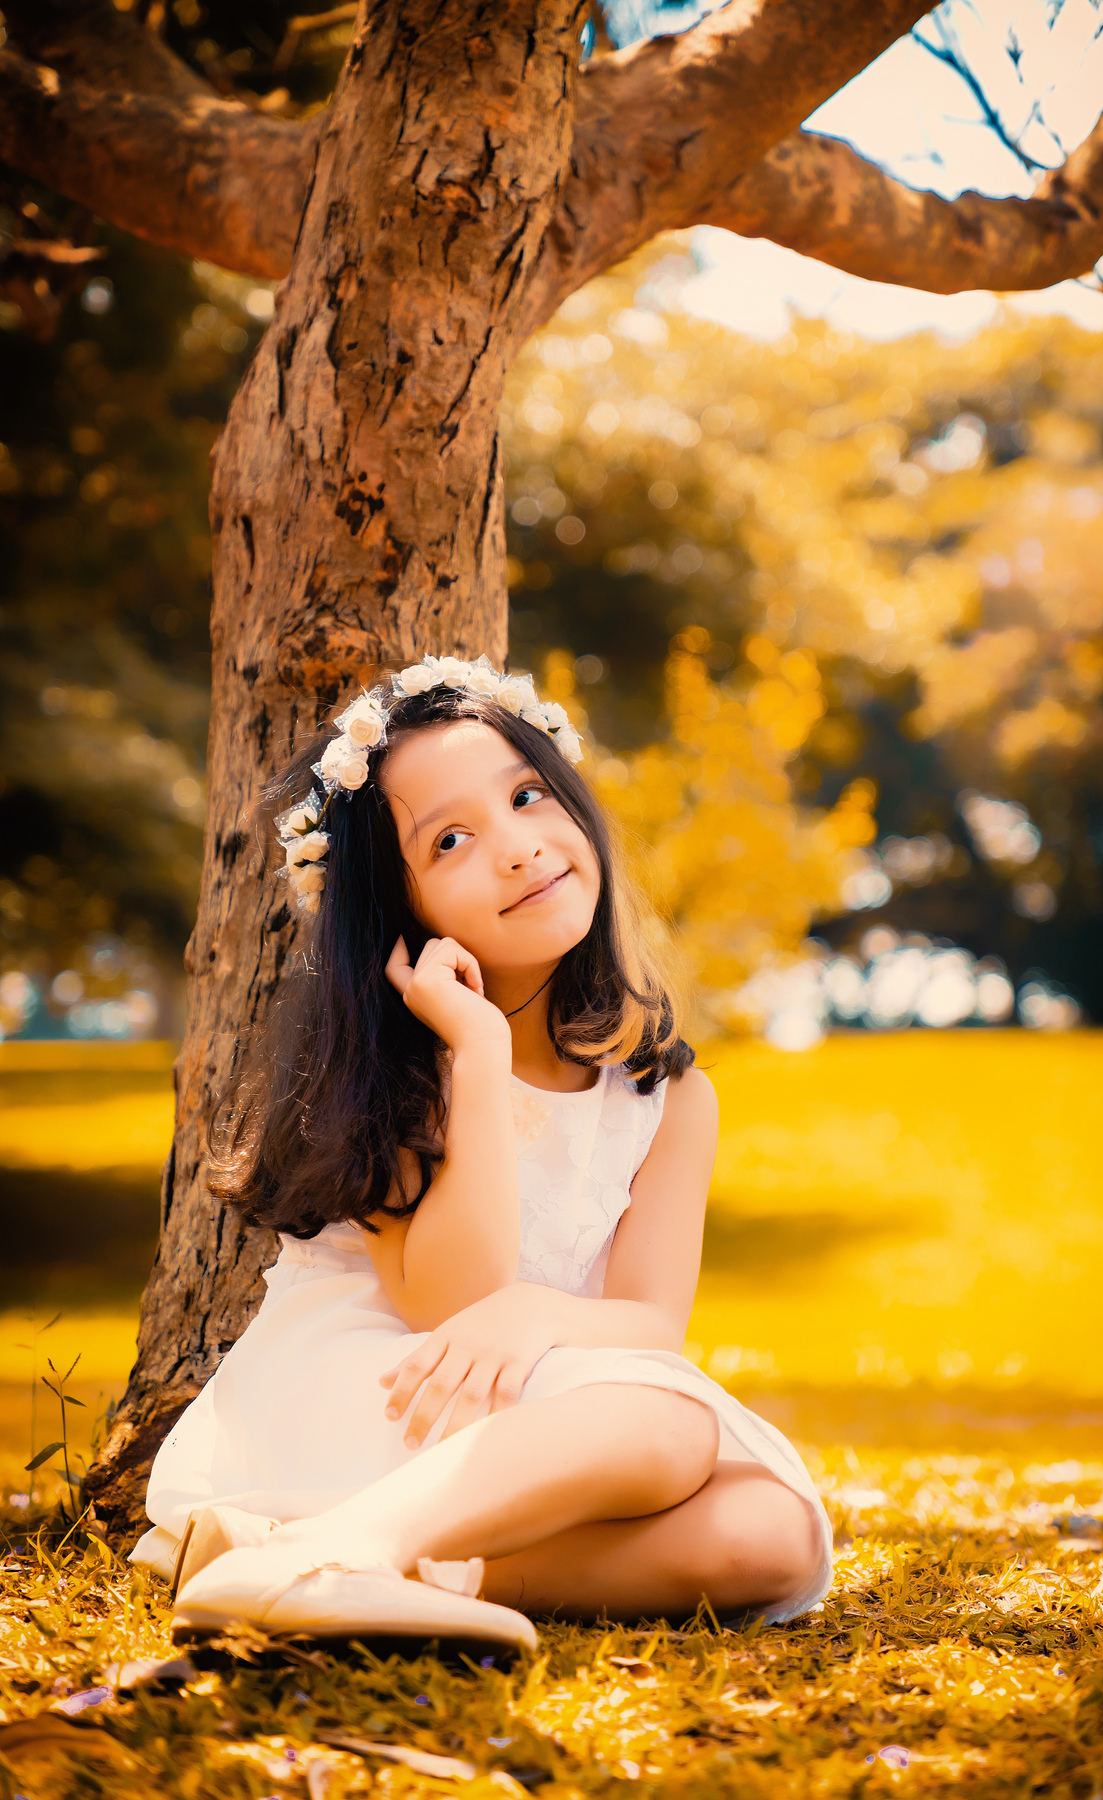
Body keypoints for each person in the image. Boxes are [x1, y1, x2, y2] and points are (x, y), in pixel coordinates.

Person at [137, 656, 833, 1649]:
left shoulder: (667, 1097)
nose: (517, 849)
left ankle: (308, 1555)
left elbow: (650, 1322)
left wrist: (541, 1314)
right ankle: (333, 1553)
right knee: (671, 1427)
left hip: (525, 1417)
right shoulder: (403, 1061)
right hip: (386, 1389)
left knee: (777, 1534)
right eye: (452, 839)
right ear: (401, 908)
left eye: (526, 796)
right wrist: (478, 1051)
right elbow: (448, 1305)